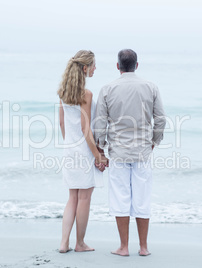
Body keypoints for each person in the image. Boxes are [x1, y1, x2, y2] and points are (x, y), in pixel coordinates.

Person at [94, 49, 166, 256]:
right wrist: (154, 141)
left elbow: (100, 123)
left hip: (118, 152)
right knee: (142, 198)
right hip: (142, 152)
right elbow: (160, 119)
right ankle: (143, 248)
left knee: (120, 198)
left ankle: (124, 247)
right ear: (137, 65)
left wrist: (101, 148)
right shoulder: (150, 87)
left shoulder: (108, 89)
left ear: (118, 66)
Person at [58, 50, 108, 253]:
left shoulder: (63, 93)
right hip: (84, 152)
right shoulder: (85, 94)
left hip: (69, 150)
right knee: (84, 198)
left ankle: (63, 243)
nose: (96, 68)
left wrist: (70, 145)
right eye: (94, 65)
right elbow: (85, 128)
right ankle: (79, 243)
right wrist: (97, 154)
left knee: (72, 198)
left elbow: (62, 124)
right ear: (85, 68)